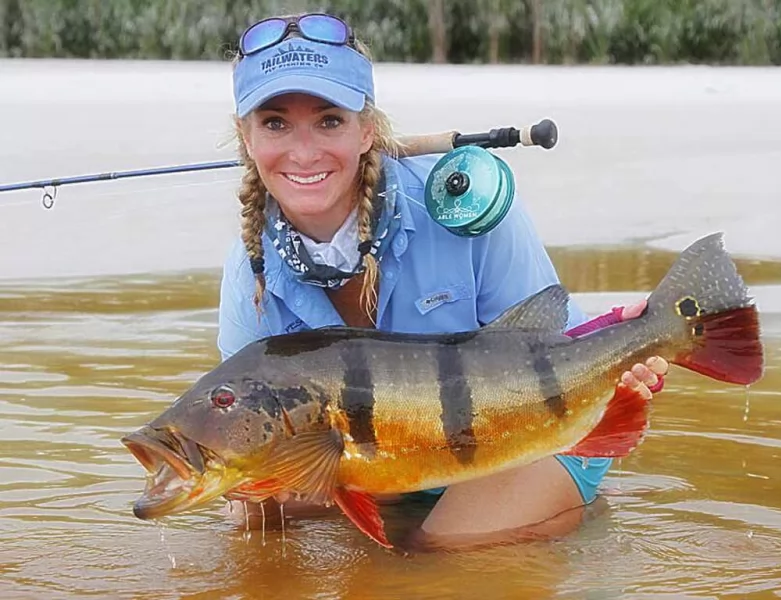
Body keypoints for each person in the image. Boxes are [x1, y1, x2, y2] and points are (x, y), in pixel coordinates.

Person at [218, 12, 668, 548]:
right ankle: (443, 506)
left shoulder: (464, 209)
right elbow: (245, 410)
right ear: (246, 136)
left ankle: (556, 507)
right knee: (250, 511)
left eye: (330, 120)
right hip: (378, 457)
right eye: (275, 123)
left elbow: (549, 344)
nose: (304, 151)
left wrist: (620, 341)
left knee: (439, 555)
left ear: (367, 130)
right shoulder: (250, 267)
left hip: (528, 430)